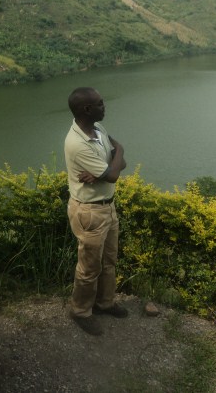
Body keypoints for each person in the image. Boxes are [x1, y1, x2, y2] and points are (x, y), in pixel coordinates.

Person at [64, 87, 128, 336]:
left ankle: (105, 302)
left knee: (109, 260)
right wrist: (119, 151)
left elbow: (119, 167)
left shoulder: (98, 129)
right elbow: (114, 172)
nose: (104, 106)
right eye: (100, 103)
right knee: (89, 267)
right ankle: (80, 311)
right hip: (89, 212)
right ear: (87, 109)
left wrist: (103, 171)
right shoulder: (77, 143)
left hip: (107, 207)